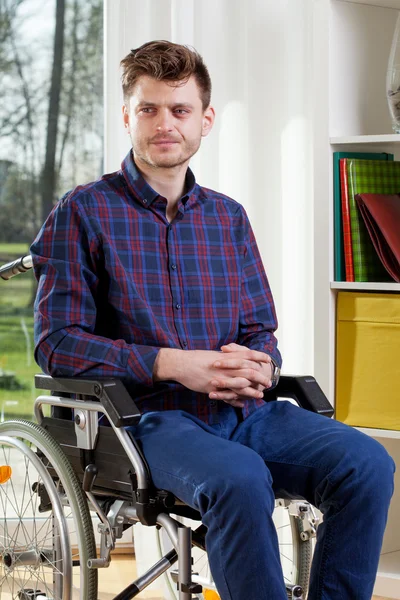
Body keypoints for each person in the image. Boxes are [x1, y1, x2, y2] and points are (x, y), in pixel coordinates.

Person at [31, 40, 395, 600]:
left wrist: (262, 368)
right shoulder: (83, 212)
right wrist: (174, 365)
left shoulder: (227, 218)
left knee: (367, 464)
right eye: (148, 109)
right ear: (127, 116)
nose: (164, 124)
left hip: (242, 411)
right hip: (144, 422)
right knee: (240, 479)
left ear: (205, 120)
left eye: (179, 110)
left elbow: (259, 331)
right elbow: (57, 345)